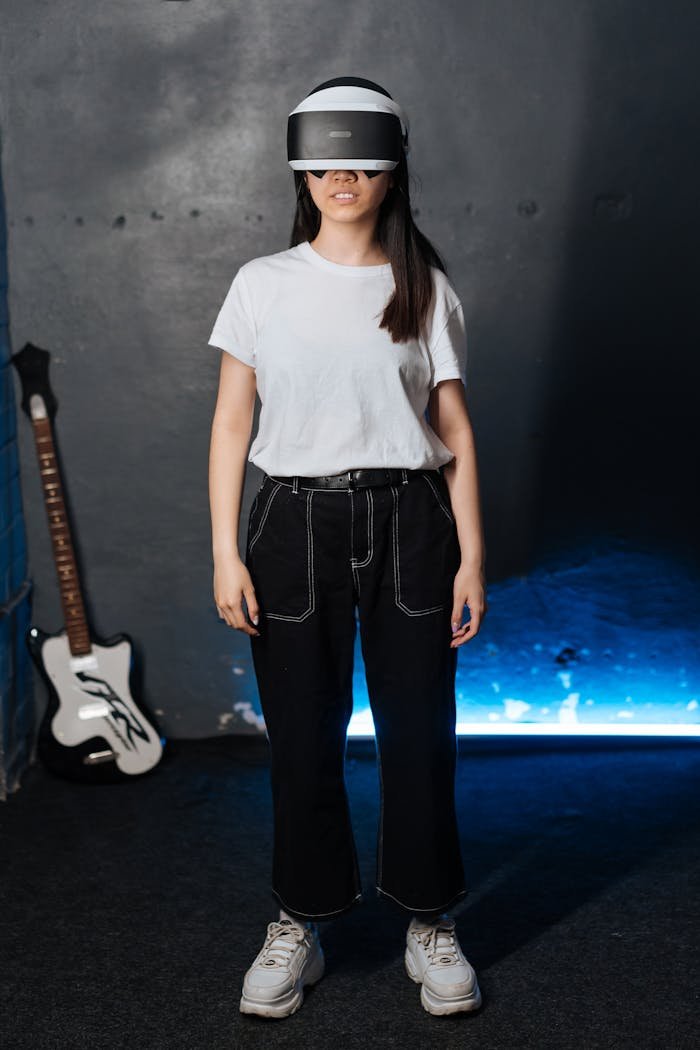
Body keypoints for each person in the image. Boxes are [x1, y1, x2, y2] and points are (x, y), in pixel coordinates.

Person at [207, 77, 487, 1019]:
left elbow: (455, 428)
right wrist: (224, 550)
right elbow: (230, 422)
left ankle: (429, 920)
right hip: (290, 524)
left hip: (411, 524)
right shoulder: (262, 283)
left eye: (362, 158)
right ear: (301, 165)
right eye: (325, 158)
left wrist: (473, 557)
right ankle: (300, 919)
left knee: (419, 737)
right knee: (302, 737)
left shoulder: (425, 288)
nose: (342, 175)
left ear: (391, 166)